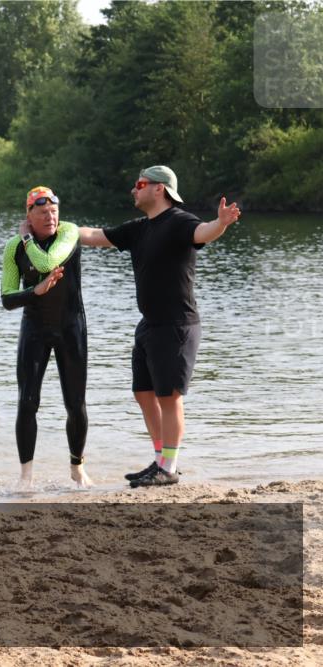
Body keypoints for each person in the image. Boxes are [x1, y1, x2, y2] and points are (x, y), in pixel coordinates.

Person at [78, 166, 240, 487]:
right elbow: (95, 236)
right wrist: (57, 227)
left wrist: (220, 223)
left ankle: (168, 467)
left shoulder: (179, 221)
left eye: (139, 184)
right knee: (143, 392)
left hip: (177, 325)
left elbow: (202, 233)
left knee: (169, 396)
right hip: (149, 325)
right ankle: (160, 460)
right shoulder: (138, 228)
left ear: (159, 190)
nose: (133, 190)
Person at [1, 186, 91, 490]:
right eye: (42, 212)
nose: (50, 216)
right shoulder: (13, 247)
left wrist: (28, 238)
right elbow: (7, 298)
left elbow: (46, 263)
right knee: (27, 403)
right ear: (29, 215)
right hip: (35, 330)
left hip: (71, 327)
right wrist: (34, 292)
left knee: (75, 404)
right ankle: (25, 476)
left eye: (53, 211)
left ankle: (77, 468)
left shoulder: (69, 232)